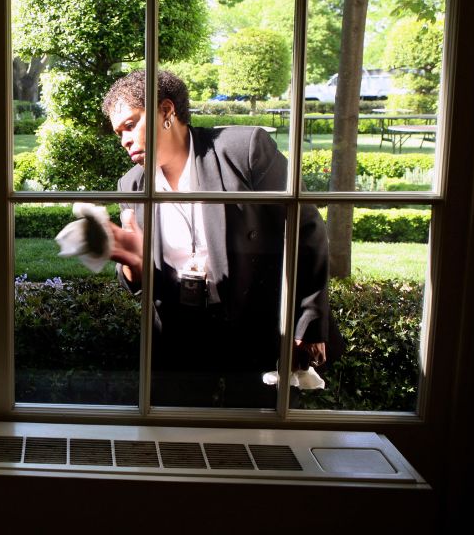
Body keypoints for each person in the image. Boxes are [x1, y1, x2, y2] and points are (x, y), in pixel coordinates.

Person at [102, 69, 330, 407]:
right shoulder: (132, 185)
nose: (124, 140)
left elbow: (307, 230)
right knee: (178, 438)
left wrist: (308, 322)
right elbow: (140, 282)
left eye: (131, 124)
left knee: (257, 436)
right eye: (119, 133)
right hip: (178, 335)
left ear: (167, 112)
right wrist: (131, 263)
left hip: (253, 324)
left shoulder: (242, 151)